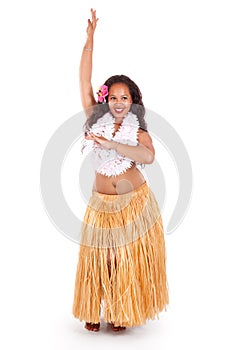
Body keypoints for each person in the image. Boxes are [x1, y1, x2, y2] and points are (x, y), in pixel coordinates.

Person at [72, 8, 169, 332]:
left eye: (124, 97)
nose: (117, 102)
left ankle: (119, 309)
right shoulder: (94, 119)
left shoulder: (139, 132)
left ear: (132, 102)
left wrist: (114, 145)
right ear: (106, 100)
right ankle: (92, 303)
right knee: (102, 257)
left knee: (123, 258)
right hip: (102, 204)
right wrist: (90, 40)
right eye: (113, 96)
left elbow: (148, 157)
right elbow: (84, 81)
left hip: (134, 203)